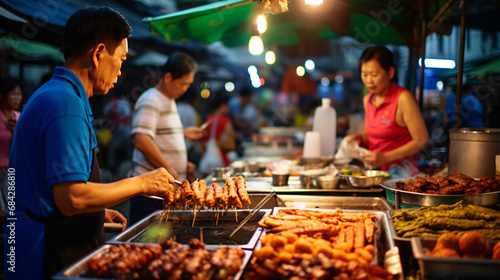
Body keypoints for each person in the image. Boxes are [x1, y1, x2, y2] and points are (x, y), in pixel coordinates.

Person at [3, 7, 175, 280]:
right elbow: (71, 197)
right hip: (50, 249)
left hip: (41, 236)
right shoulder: (65, 104)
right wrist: (142, 184)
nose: (121, 72)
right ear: (98, 54)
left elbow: (57, 191)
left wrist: (96, 211)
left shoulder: (55, 93)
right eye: (120, 59)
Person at [129, 52, 203, 223]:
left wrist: (182, 135)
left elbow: (158, 134)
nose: (185, 89)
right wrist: (171, 167)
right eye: (183, 84)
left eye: (188, 84)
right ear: (168, 77)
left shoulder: (168, 99)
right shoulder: (151, 99)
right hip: (151, 195)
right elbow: (142, 139)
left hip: (166, 192)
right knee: (147, 245)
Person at [345, 46, 429, 170]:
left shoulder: (403, 98)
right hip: (375, 173)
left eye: (374, 75)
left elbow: (422, 140)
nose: (369, 81)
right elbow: (376, 135)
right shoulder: (368, 100)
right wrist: (358, 138)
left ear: (390, 72)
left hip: (401, 175)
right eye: (364, 74)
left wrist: (385, 158)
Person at [0, 77, 22, 216]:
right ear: (1, 96)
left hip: (14, 172)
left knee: (12, 211)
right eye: (13, 94)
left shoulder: (21, 117)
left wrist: (16, 134)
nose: (17, 98)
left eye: (19, 94)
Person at [199, 92, 236, 173]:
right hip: (222, 161)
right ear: (223, 105)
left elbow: (202, 142)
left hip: (208, 160)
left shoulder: (208, 118)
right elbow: (232, 144)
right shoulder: (225, 120)